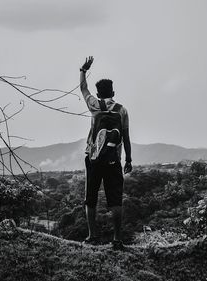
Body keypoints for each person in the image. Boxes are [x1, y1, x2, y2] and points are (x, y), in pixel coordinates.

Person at [79, 56, 132, 250]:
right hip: (113, 160)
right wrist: (129, 159)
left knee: (90, 197)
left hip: (93, 158)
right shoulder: (122, 110)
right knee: (115, 199)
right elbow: (125, 136)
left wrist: (83, 71)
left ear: (99, 94)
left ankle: (92, 236)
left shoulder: (94, 105)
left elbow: (83, 89)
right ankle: (117, 239)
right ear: (113, 92)